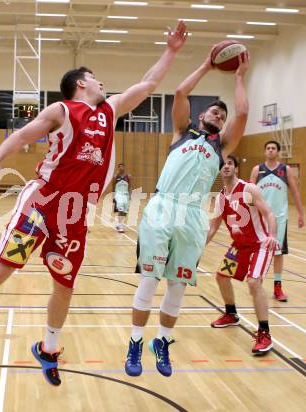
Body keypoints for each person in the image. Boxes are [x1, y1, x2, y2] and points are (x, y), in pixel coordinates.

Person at [0, 22, 188, 385]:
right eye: (97, 78)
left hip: (75, 213)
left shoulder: (110, 109)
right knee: (2, 269)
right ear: (81, 83)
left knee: (65, 284)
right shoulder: (61, 110)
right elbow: (24, 134)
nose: (103, 83)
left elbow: (149, 83)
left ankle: (48, 348)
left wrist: (170, 51)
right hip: (43, 201)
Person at [125, 49, 250, 378]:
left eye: (222, 116)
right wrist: (207, 65)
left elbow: (244, 113)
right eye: (214, 112)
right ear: (200, 116)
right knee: (150, 280)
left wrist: (239, 78)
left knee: (177, 287)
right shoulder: (182, 133)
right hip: (164, 206)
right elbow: (180, 92)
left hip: (193, 215)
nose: (219, 117)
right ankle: (136, 342)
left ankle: (162, 344)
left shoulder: (220, 147)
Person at [207, 155, 276, 355]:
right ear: (219, 170)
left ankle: (265, 333)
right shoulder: (221, 196)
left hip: (260, 244)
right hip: (239, 246)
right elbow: (213, 228)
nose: (226, 166)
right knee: (221, 277)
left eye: (230, 163)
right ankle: (231, 314)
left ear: (236, 168)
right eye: (223, 164)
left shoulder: (249, 189)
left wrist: (272, 235)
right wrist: (197, 248)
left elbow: (269, 213)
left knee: (254, 282)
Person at [250, 140, 304, 302]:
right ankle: (256, 281)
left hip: (279, 218)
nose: (271, 150)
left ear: (278, 152)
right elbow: (248, 194)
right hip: (260, 218)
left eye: (274, 148)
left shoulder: (284, 169)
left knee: (278, 253)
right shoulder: (257, 170)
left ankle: (277, 287)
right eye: (268, 148)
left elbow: (294, 192)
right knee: (258, 250)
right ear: (265, 151)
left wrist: (301, 214)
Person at [113, 163, 131, 233]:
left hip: (126, 195)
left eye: (122, 166)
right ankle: (120, 226)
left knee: (125, 212)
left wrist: (130, 195)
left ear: (124, 167)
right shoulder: (115, 176)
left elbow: (130, 186)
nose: (121, 168)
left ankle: (118, 224)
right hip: (118, 194)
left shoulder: (128, 176)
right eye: (119, 167)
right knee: (121, 209)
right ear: (118, 168)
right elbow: (113, 186)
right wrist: (113, 195)